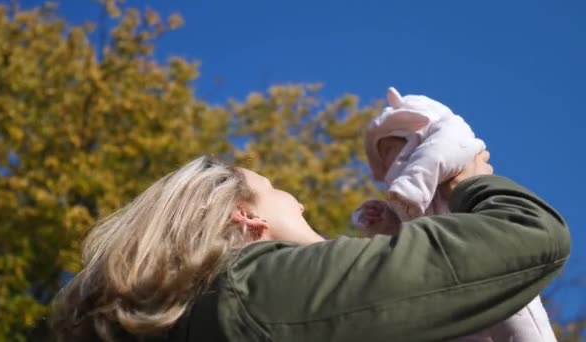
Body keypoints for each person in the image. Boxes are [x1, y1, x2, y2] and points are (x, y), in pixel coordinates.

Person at [51, 152, 570, 341]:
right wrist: (466, 176)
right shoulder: (255, 292)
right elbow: (531, 235)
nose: (297, 200)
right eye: (276, 188)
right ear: (246, 216)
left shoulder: (202, 316)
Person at [353, 88, 557, 341]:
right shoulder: (405, 189)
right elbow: (409, 236)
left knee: (517, 315)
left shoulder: (446, 137)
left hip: (483, 245)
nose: (389, 162)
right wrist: (384, 223)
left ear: (411, 129)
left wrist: (412, 186)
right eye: (384, 158)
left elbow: (442, 152)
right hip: (446, 269)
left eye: (390, 149)